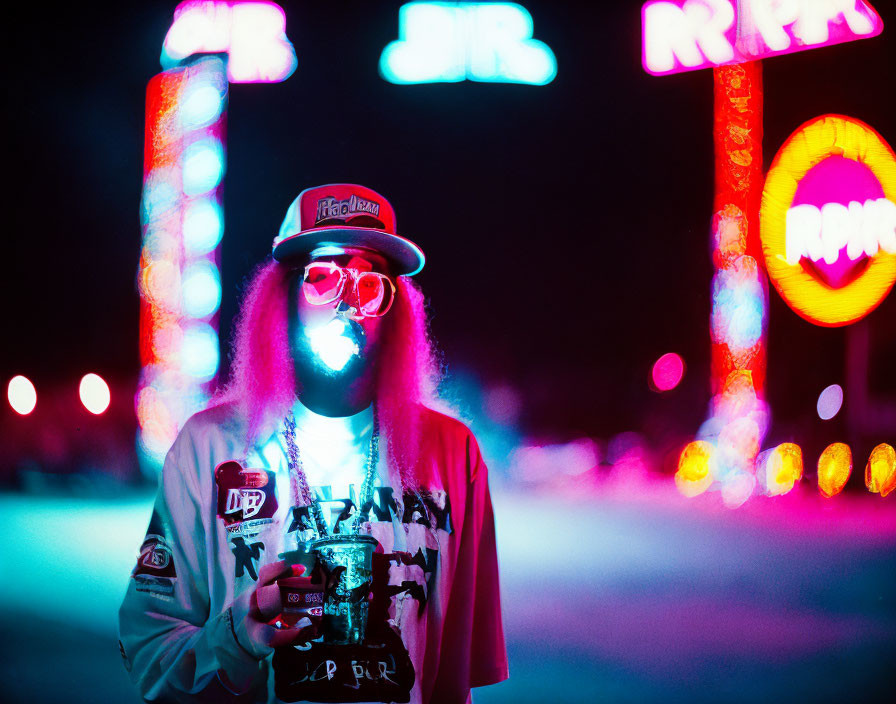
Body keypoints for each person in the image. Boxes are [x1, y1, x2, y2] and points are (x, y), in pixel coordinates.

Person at [118, 183, 508, 704]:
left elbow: (455, 680)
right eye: (322, 278)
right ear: (281, 300)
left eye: (370, 285)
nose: (347, 302)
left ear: (394, 311)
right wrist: (239, 634)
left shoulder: (453, 456)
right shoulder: (208, 449)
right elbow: (149, 654)